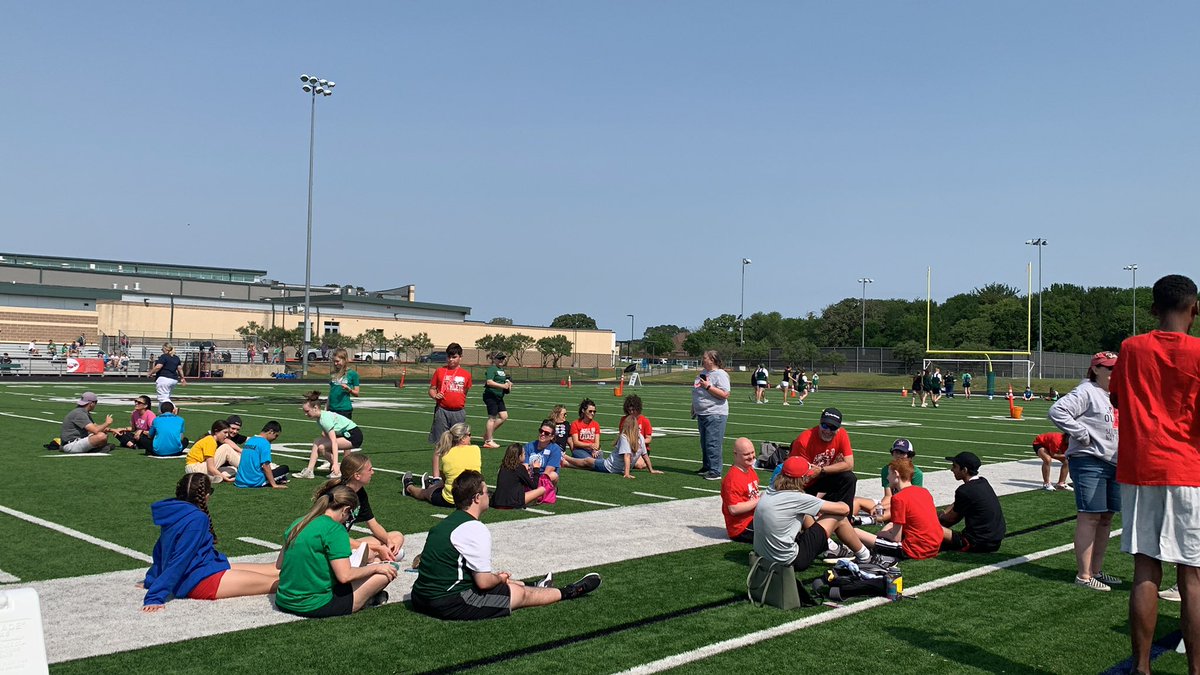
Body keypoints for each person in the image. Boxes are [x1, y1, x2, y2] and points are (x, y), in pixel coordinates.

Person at [1109, 274, 1200, 673]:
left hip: (1141, 468)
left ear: (1153, 309)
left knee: (1145, 567)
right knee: (1192, 577)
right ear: (1194, 309)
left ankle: (1141, 668)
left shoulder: (1131, 349)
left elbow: (1116, 398)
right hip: (1188, 469)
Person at [410, 470, 601, 620]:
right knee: (518, 593)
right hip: (447, 601)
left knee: (506, 582)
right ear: (477, 498)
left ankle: (537, 585)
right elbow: (483, 583)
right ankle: (569, 591)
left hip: (420, 596)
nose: (488, 495)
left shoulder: (443, 525)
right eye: (486, 492)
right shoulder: (475, 528)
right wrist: (499, 579)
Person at [142, 474, 279, 612]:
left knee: (275, 569)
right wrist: (155, 596)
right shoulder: (197, 518)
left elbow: (161, 549)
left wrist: (152, 579)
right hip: (201, 580)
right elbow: (181, 557)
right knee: (278, 584)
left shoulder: (173, 513)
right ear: (205, 496)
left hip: (208, 568)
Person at [1049, 350, 1120, 592]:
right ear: (1096, 369)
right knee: (1090, 516)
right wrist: (1081, 433)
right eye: (1109, 368)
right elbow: (1057, 411)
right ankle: (1084, 574)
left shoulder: (1116, 393)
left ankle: (1096, 571)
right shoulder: (1086, 391)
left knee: (1106, 518)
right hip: (1090, 460)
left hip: (1114, 461)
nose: (1114, 372)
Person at [274, 485, 396, 618]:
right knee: (386, 571)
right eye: (350, 514)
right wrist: (377, 568)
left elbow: (279, 564)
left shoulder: (298, 523)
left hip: (283, 600)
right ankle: (367, 600)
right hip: (315, 604)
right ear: (346, 510)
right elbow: (345, 576)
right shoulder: (335, 529)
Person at [788, 408, 871, 562]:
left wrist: (823, 470)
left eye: (832, 428)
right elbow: (795, 475)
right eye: (825, 426)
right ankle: (824, 537)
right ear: (819, 424)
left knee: (849, 478)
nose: (828, 430)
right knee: (801, 506)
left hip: (820, 475)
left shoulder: (842, 435)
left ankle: (845, 520)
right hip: (802, 482)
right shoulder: (804, 440)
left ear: (838, 428)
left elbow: (849, 464)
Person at [753, 456, 856, 572]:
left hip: (763, 557)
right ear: (801, 478)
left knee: (806, 515)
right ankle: (865, 557)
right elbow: (844, 509)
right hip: (791, 560)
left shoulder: (770, 490)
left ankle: (831, 546)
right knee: (838, 517)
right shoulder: (797, 498)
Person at [318, 454, 405, 562]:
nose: (372, 472)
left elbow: (373, 524)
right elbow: (334, 537)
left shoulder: (360, 492)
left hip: (345, 542)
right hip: (331, 545)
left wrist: (388, 542)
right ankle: (378, 559)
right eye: (369, 470)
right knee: (370, 555)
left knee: (397, 536)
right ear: (357, 476)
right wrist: (377, 548)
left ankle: (379, 558)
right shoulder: (339, 495)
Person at [853, 459, 941, 562]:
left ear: (896, 474)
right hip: (934, 546)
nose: (887, 477)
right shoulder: (923, 491)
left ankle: (863, 555)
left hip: (915, 550)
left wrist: (881, 534)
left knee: (853, 532)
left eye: (889, 473)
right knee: (890, 525)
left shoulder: (899, 498)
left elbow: (896, 538)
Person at [939, 452, 1007, 553]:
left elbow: (952, 518)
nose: (951, 469)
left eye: (954, 466)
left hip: (977, 543)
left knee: (931, 527)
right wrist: (943, 514)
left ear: (964, 470)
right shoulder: (983, 482)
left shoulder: (964, 490)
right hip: (995, 541)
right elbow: (957, 504)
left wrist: (937, 517)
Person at [404, 423, 480, 508]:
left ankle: (409, 487)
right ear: (462, 438)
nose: (471, 437)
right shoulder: (476, 449)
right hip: (472, 498)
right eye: (469, 435)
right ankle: (430, 486)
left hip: (450, 500)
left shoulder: (446, 455)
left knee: (425, 493)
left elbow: (445, 479)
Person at [562, 414, 662, 478]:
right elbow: (627, 456)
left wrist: (651, 470)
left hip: (614, 468)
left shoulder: (639, 437)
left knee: (589, 464)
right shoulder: (624, 437)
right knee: (587, 461)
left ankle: (566, 463)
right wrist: (626, 473)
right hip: (610, 466)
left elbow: (645, 455)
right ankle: (565, 457)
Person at [853, 438, 925, 526]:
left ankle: (865, 520)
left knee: (899, 507)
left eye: (902, 453)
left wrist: (883, 507)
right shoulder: (887, 469)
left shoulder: (916, 473)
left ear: (910, 455)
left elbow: (911, 502)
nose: (898, 456)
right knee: (856, 501)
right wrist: (880, 506)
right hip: (892, 502)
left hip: (905, 506)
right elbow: (888, 496)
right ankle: (846, 523)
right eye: (896, 452)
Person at [295, 391, 363, 480]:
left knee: (322, 447)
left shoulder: (324, 419)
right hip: (347, 434)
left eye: (307, 411)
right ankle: (309, 470)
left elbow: (334, 442)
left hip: (354, 436)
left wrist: (334, 463)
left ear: (315, 407)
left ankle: (337, 469)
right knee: (317, 441)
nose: (306, 414)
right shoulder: (320, 418)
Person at [692, 350, 730, 481]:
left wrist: (708, 387)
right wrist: (694, 407)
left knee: (713, 442)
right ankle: (707, 466)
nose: (703, 360)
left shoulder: (720, 374)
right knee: (704, 442)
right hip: (702, 413)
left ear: (712, 360)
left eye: (705, 358)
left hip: (715, 413)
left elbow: (725, 394)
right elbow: (697, 391)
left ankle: (715, 470)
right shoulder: (703, 373)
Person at [428, 342, 472, 446]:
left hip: (458, 411)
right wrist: (435, 395)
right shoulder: (440, 371)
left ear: (460, 357)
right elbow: (432, 389)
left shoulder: (466, 374)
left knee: (459, 442)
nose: (451, 359)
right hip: (442, 410)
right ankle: (438, 462)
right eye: (449, 357)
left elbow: (465, 392)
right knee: (440, 442)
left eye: (454, 357)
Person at [721, 438, 760, 543]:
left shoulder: (750, 469)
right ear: (736, 454)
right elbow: (734, 509)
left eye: (752, 452)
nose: (751, 456)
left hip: (754, 518)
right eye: (746, 454)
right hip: (741, 528)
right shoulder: (732, 478)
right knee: (778, 532)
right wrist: (759, 500)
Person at [234, 421, 289, 489]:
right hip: (254, 481)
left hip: (239, 480)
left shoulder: (250, 440)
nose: (275, 438)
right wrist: (274, 484)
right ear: (271, 431)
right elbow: (266, 465)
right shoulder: (265, 443)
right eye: (276, 435)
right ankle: (276, 480)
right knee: (285, 468)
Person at [493, 443, 547, 508]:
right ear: (519, 456)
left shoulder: (502, 466)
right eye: (524, 454)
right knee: (542, 489)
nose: (525, 455)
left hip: (497, 501)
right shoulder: (520, 467)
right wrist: (536, 469)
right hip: (513, 502)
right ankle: (532, 503)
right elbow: (534, 486)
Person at [481, 352, 513, 449]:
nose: (501, 360)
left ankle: (487, 434)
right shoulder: (492, 369)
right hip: (491, 395)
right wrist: (502, 386)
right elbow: (489, 381)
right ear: (494, 359)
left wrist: (508, 384)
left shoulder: (501, 370)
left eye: (502, 359)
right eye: (499, 359)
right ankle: (488, 441)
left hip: (499, 396)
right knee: (492, 418)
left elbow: (504, 381)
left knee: (504, 416)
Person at [523, 419, 563, 485]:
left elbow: (547, 472)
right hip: (529, 477)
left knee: (554, 475)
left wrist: (535, 482)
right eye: (541, 431)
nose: (542, 434)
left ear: (552, 437)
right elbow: (525, 467)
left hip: (543, 478)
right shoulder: (529, 446)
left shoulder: (555, 449)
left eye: (546, 433)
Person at [327, 348, 360, 419]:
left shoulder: (353, 374)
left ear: (344, 360)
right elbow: (330, 392)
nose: (335, 363)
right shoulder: (332, 373)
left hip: (344, 410)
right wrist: (326, 408)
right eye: (334, 361)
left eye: (337, 361)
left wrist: (349, 390)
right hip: (331, 409)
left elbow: (357, 393)